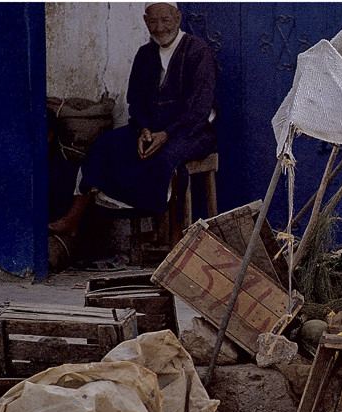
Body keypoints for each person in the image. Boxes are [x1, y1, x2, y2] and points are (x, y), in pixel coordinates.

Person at [48, 1, 217, 240]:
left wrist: (167, 134)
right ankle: (72, 219)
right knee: (105, 146)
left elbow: (199, 110)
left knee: (166, 158)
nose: (159, 28)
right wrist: (144, 130)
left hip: (192, 132)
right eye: (153, 21)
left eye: (165, 20)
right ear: (145, 21)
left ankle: (172, 236)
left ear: (178, 19)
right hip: (150, 130)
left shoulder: (198, 52)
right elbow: (136, 103)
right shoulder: (144, 54)